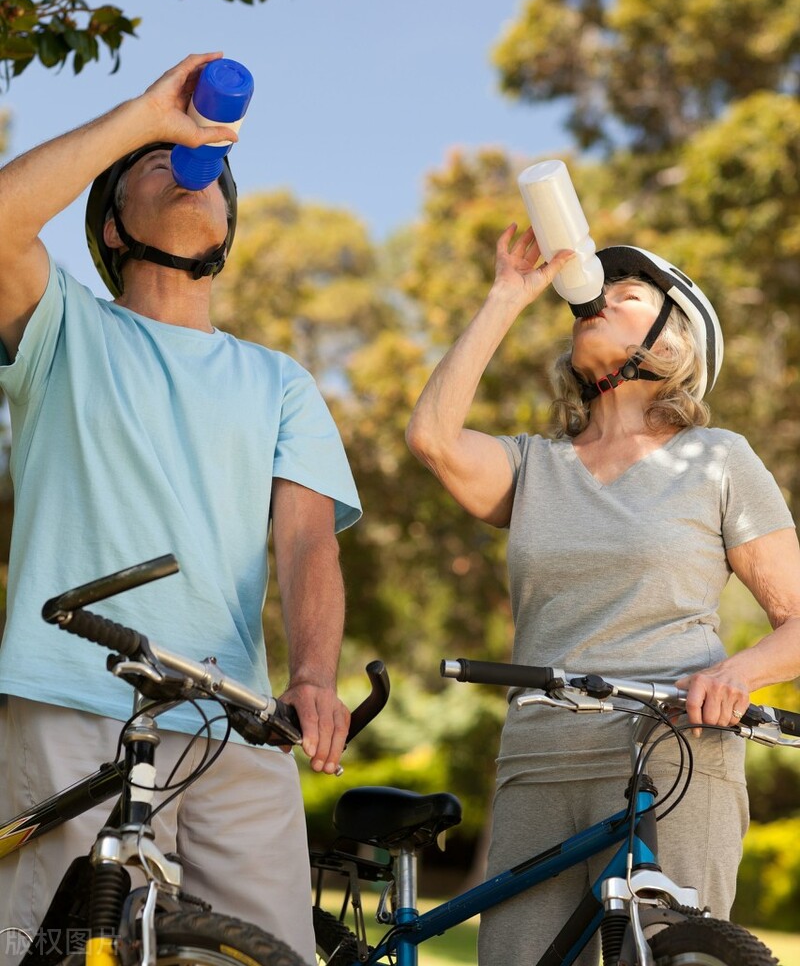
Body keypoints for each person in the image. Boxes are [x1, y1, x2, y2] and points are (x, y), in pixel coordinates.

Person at [0, 52, 361, 963]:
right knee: (57, 946)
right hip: (71, 696)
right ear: (111, 228)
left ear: (227, 226)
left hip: (233, 716)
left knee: (270, 950)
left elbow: (308, 542)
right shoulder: (65, 331)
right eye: (150, 164)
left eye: (198, 165)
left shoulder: (279, 380)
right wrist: (141, 118)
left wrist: (314, 675)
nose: (183, 165)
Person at [406, 222, 800, 966]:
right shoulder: (535, 467)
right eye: (597, 296)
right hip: (538, 761)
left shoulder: (717, 459)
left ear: (674, 341)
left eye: (627, 295)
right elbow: (431, 436)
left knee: (674, 954)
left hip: (674, 755)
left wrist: (735, 674)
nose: (598, 301)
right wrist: (505, 295)